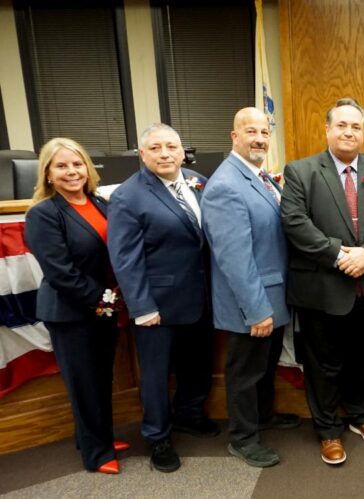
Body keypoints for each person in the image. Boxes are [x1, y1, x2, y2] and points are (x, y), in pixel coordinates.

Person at [280, 98, 364, 465]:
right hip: (323, 288)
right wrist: (340, 255)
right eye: (342, 125)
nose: (349, 132)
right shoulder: (300, 172)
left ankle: (361, 415)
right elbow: (295, 223)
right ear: (328, 129)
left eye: (356, 127)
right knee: (323, 364)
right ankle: (328, 429)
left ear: (363, 132)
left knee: (363, 359)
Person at [107, 124, 218, 473]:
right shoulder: (128, 196)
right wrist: (142, 306)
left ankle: (190, 414)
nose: (165, 153)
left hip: (201, 297)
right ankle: (157, 436)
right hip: (157, 305)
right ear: (143, 155)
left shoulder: (199, 181)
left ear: (183, 152)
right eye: (155, 148)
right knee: (156, 375)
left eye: (172, 146)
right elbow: (125, 258)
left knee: (197, 363)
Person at [201, 107, 300, 468]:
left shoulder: (259, 176)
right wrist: (256, 310)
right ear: (234, 136)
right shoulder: (225, 185)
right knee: (245, 373)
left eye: (264, 132)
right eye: (251, 132)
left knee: (265, 366)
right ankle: (243, 438)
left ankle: (263, 415)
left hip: (271, 294)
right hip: (251, 303)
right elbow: (235, 259)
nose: (259, 139)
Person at [24, 138, 126, 474]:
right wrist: (105, 299)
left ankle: (98, 438)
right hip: (70, 313)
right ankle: (97, 454)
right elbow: (60, 272)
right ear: (48, 174)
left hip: (102, 309)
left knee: (100, 380)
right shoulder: (43, 213)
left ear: (87, 168)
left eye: (77, 164)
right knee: (84, 385)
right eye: (62, 166)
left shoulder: (99, 203)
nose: (72, 172)